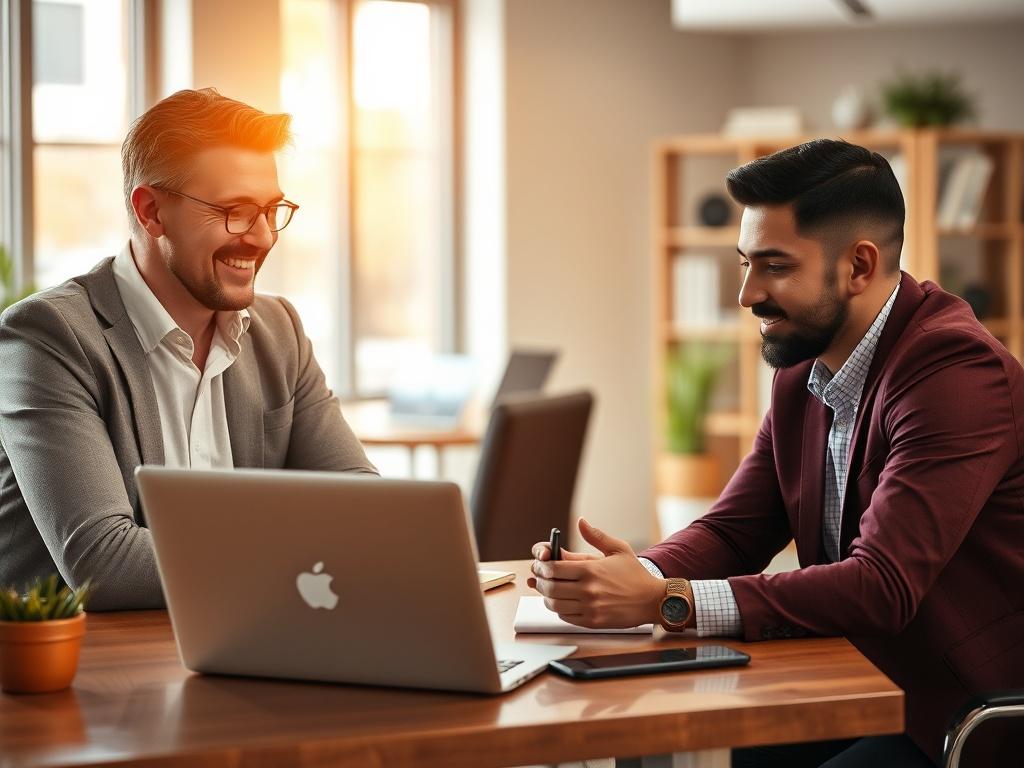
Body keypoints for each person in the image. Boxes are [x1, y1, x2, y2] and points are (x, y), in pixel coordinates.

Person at [530, 139, 1024, 767]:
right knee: (712, 746)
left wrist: (667, 601)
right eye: (745, 263)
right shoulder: (803, 369)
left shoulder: (954, 373)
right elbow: (735, 530)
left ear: (859, 266)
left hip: (958, 712)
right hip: (853, 675)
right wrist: (633, 577)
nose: (747, 294)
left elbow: (882, 586)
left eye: (775, 266)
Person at [0, 89, 376, 610]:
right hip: (91, 655)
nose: (263, 237)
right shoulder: (49, 336)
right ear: (151, 211)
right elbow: (105, 564)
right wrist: (304, 550)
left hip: (245, 637)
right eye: (236, 212)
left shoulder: (279, 331)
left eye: (271, 210)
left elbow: (362, 508)